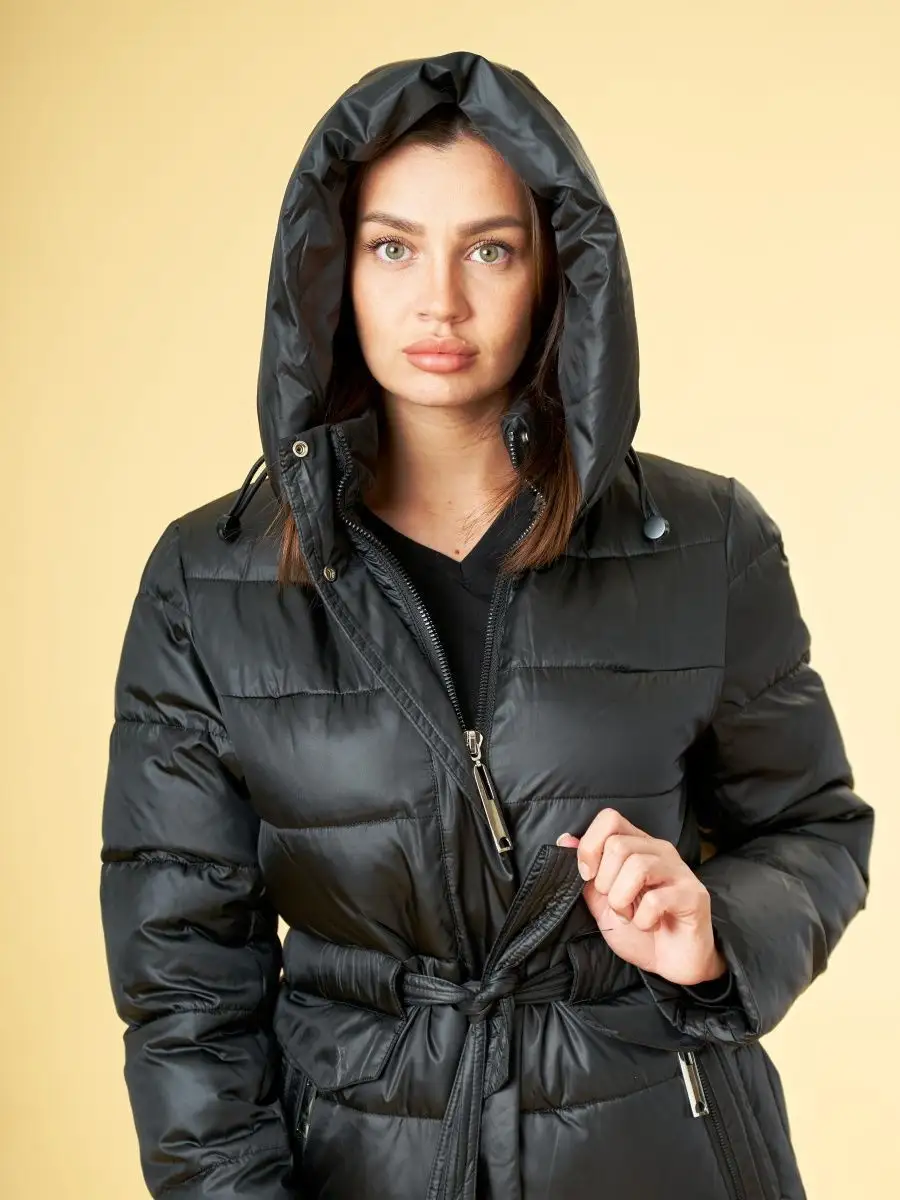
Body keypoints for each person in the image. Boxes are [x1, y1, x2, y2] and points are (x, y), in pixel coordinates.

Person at [99, 50, 874, 1200]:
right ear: (332, 268)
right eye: (393, 247)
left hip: (661, 1155)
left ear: (557, 272)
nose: (441, 302)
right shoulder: (206, 580)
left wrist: (714, 927)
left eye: (491, 250)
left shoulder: (707, 540)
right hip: (358, 1162)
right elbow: (184, 982)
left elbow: (814, 828)